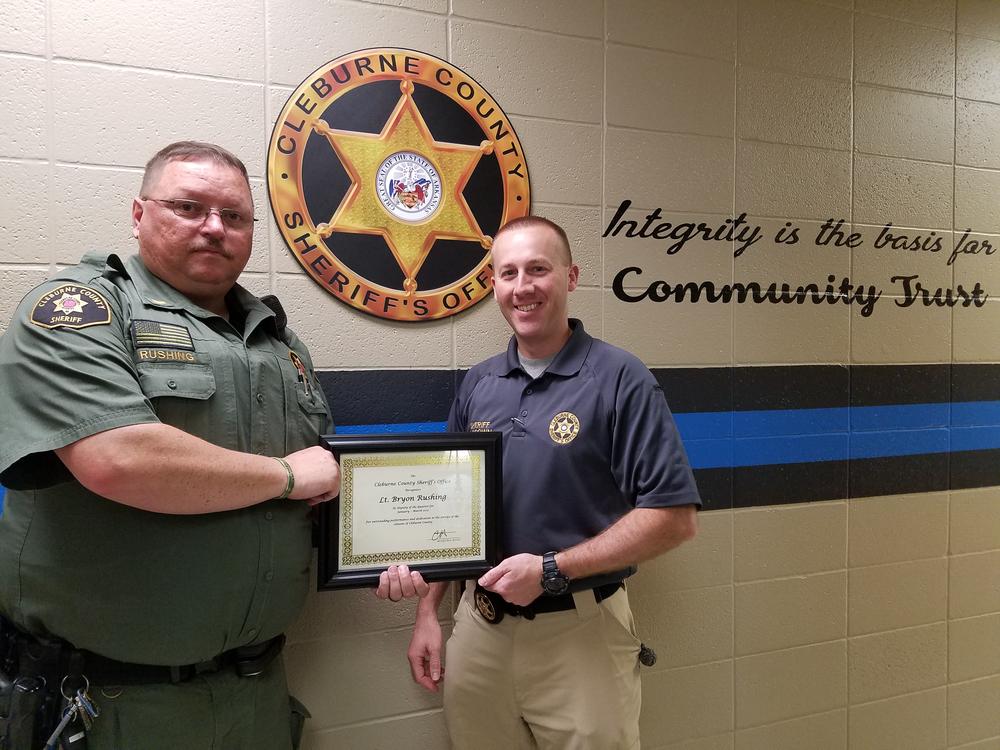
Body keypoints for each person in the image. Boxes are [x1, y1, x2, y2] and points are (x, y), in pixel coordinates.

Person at [0, 141, 342, 750]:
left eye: (234, 216)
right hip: (109, 702)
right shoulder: (79, 309)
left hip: (256, 688)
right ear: (138, 213)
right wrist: (287, 477)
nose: (214, 227)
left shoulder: (281, 345)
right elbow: (119, 458)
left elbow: (325, 481)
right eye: (188, 206)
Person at [390, 216, 702, 749]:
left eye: (538, 269)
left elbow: (673, 519)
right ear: (494, 286)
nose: (522, 286)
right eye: (508, 273)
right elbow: (449, 512)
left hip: (580, 633)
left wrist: (553, 570)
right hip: (480, 630)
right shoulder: (478, 385)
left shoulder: (620, 378)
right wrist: (426, 614)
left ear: (571, 277)